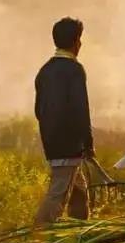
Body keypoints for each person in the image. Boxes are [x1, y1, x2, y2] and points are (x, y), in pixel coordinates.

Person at [33, 17, 95, 224]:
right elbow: (80, 109)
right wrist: (87, 142)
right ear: (76, 41)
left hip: (51, 141)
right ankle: (40, 234)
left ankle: (79, 229)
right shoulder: (75, 70)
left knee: (78, 188)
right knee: (58, 192)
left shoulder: (45, 71)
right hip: (69, 143)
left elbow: (38, 110)